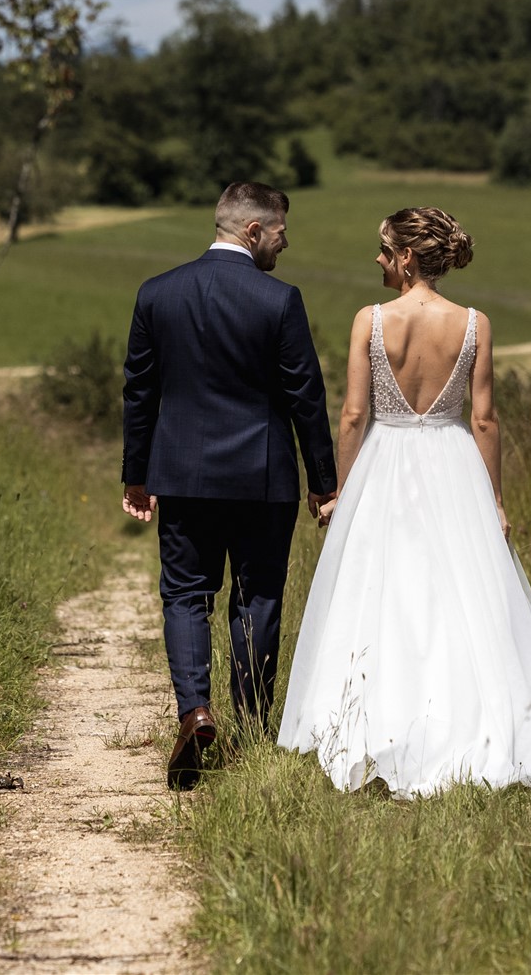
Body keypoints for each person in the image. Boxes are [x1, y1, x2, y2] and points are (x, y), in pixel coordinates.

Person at [277, 206, 531, 797]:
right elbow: (484, 419)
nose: (376, 259)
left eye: (383, 249)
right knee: (460, 596)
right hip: (454, 467)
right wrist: (494, 497)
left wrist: (342, 492)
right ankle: (464, 724)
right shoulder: (474, 324)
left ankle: (376, 725)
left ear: (406, 257)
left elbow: (352, 414)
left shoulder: (370, 320)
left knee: (385, 593)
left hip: (386, 464)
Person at [121, 181, 338, 790]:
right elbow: (306, 397)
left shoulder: (157, 293)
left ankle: (195, 712)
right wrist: (324, 482)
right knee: (257, 597)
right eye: (280, 233)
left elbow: (140, 391)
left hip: (181, 474)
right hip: (262, 477)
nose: (284, 244)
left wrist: (136, 474)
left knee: (186, 595)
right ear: (252, 231)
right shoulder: (279, 300)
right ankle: (246, 726)